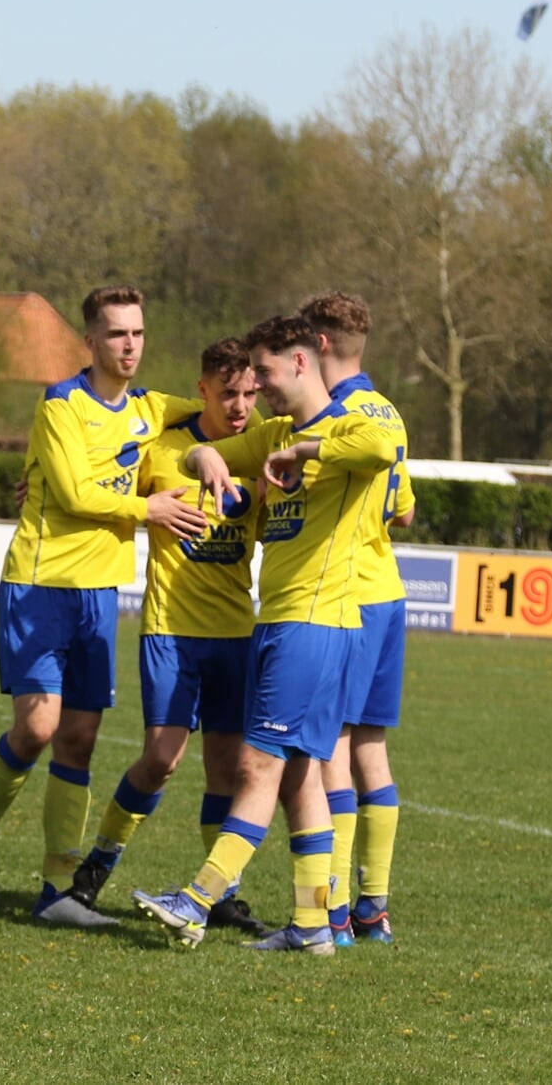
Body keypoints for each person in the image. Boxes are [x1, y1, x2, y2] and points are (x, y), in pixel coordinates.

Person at [132, 315, 398, 954]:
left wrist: (305, 452)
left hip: (311, 624)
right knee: (301, 775)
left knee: (258, 766)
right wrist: (206, 462)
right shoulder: (275, 430)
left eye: (268, 373)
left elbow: (380, 453)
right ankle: (312, 926)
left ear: (303, 362)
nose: (260, 388)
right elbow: (192, 449)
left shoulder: (356, 422)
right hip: (290, 623)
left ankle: (196, 902)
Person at [0, 285, 208, 928]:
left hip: (100, 594)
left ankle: (57, 890)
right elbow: (69, 493)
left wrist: (230, 442)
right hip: (41, 585)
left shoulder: (152, 407)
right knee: (37, 729)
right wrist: (147, 508)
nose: (130, 345)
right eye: (118, 333)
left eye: (139, 333)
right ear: (90, 342)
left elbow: (217, 415)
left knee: (79, 738)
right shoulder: (61, 404)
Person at [66, 337, 270, 937]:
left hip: (236, 630)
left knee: (227, 771)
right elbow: (103, 486)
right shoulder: (164, 448)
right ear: (202, 388)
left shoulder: (262, 451)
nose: (239, 405)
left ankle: (222, 895)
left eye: (249, 393)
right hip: (172, 630)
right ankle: (95, 869)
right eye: (228, 392)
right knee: (161, 758)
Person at [307, 291, 414, 947]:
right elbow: (403, 512)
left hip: (347, 594)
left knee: (333, 752)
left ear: (318, 344)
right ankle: (373, 907)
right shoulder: (388, 412)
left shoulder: (338, 415)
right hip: (389, 591)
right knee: (370, 747)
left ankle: (335, 910)